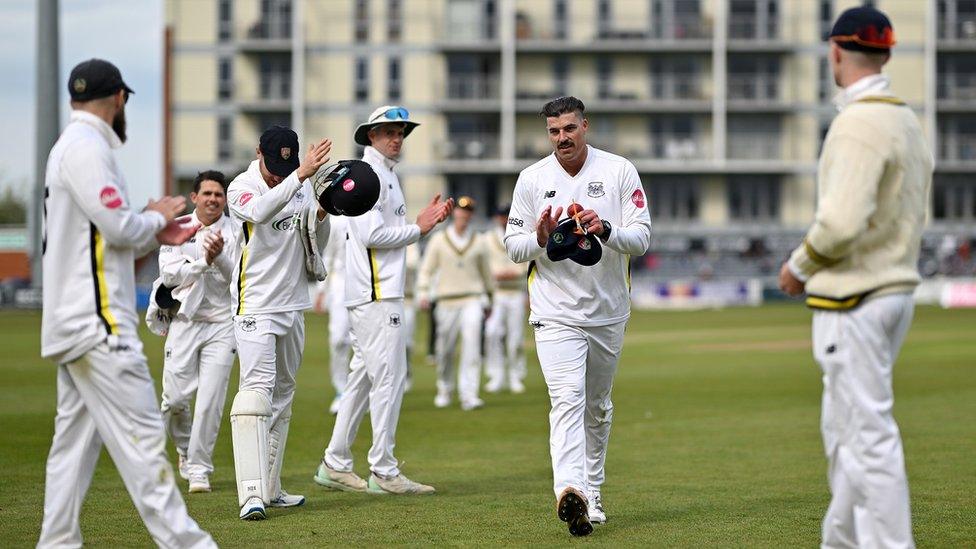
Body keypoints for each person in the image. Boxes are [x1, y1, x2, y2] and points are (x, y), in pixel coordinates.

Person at [38, 58, 215, 548]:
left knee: (71, 450)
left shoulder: (70, 146)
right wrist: (156, 218)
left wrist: (158, 230)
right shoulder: (88, 147)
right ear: (118, 99)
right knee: (144, 446)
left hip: (74, 324)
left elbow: (104, 241)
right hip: (100, 328)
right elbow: (119, 226)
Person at [778, 7, 931, 548]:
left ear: (836, 52)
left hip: (856, 297)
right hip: (892, 289)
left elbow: (840, 223)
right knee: (845, 436)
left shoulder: (857, 122)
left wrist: (798, 267)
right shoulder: (905, 119)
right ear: (886, 52)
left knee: (866, 438)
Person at [504, 96, 651, 536]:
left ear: (584, 126)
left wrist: (605, 229)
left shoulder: (618, 170)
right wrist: (540, 237)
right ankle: (572, 490)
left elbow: (641, 239)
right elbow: (513, 247)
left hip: (607, 310)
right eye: (554, 131)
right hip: (554, 311)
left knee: (598, 408)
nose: (562, 138)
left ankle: (594, 489)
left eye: (569, 128)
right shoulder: (532, 179)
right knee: (566, 400)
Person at [314, 105, 451, 494]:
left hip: (377, 292)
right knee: (389, 379)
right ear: (370, 135)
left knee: (362, 378)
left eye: (401, 132)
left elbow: (384, 230)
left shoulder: (386, 174)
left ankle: (335, 462)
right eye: (389, 131)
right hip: (377, 293)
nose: (397, 138)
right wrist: (418, 228)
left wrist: (419, 222)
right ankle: (384, 471)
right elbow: (371, 236)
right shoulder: (368, 175)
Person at [226, 126, 333, 520]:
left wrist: (324, 210)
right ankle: (250, 493)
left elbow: (309, 230)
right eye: (273, 167)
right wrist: (299, 176)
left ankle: (271, 487)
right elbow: (259, 211)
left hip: (293, 301)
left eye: (284, 168)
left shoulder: (297, 181)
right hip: (255, 304)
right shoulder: (241, 186)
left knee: (284, 395)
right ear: (258, 153)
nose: (277, 174)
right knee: (256, 393)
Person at [157, 170, 238, 494]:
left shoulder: (235, 230)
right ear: (194, 197)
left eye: (218, 194)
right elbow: (169, 275)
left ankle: (199, 468)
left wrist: (218, 260)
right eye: (207, 193)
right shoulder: (178, 229)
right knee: (174, 400)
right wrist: (203, 262)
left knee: (210, 401)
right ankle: (184, 449)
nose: (213, 199)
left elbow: (236, 277)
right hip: (185, 322)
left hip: (222, 324)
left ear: (225, 199)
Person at [417, 196, 495, 410]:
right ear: (454, 213)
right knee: (445, 349)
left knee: (472, 347)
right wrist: (423, 292)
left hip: (472, 299)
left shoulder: (478, 241)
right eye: (461, 211)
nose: (464, 215)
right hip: (445, 300)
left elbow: (486, 273)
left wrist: (490, 298)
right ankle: (445, 388)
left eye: (468, 211)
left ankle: (469, 394)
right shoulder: (439, 240)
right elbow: (426, 269)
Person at [483, 204, 528, 394]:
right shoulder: (487, 238)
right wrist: (495, 274)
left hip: (516, 292)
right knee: (492, 332)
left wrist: (515, 272)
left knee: (515, 337)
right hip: (497, 294)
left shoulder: (522, 234)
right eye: (501, 216)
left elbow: (529, 261)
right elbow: (482, 264)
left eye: (506, 216)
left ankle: (516, 376)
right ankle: (496, 375)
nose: (503, 220)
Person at [322, 214, 351, 414]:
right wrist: (322, 290)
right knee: (339, 339)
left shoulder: (371, 212)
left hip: (368, 283)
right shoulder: (336, 220)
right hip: (340, 285)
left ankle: (362, 393)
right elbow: (329, 256)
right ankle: (342, 390)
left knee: (365, 343)